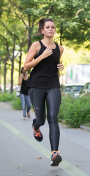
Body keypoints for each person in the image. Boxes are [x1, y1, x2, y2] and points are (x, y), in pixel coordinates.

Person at [24, 18, 64, 166]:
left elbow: (55, 64)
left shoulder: (59, 48)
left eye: (53, 27)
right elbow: (26, 66)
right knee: (41, 119)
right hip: (37, 85)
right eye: (47, 27)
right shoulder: (36, 45)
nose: (50, 29)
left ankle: (55, 153)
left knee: (53, 117)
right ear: (42, 30)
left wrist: (61, 67)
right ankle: (36, 126)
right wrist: (42, 56)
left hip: (53, 84)